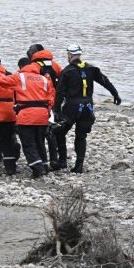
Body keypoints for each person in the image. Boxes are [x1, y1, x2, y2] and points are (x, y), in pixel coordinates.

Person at [53, 44, 121, 173]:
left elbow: (60, 93)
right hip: (87, 108)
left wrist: (56, 110)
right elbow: (104, 81)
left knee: (59, 132)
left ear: (70, 55)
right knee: (81, 136)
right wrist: (115, 94)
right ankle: (79, 165)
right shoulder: (92, 69)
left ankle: (62, 161)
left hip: (71, 108)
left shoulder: (67, 71)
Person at [0, 57, 55, 178]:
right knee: (40, 142)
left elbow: (2, 81)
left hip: (27, 116)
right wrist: (47, 111)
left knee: (28, 144)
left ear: (21, 66)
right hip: (42, 115)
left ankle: (37, 168)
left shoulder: (19, 76)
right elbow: (51, 97)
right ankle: (44, 165)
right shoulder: (44, 79)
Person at [24, 43, 63, 170]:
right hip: (54, 102)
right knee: (52, 133)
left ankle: (43, 161)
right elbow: (63, 79)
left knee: (40, 134)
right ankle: (55, 160)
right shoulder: (54, 64)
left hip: (39, 103)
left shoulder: (33, 66)